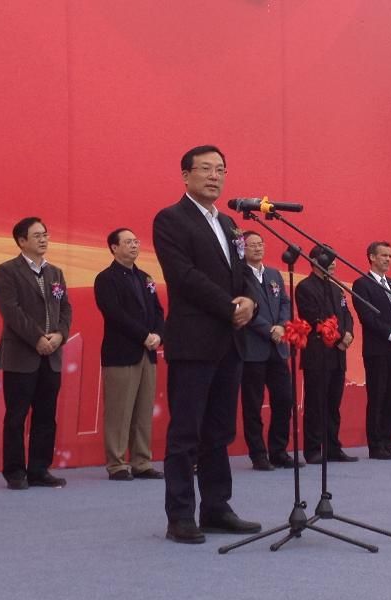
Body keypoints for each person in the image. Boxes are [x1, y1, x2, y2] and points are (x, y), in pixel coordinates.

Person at [153, 145, 261, 544]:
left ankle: (216, 508)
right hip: (194, 341)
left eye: (221, 169)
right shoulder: (170, 219)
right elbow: (183, 276)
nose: (215, 176)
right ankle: (180, 515)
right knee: (186, 432)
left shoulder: (229, 223)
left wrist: (249, 299)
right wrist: (230, 306)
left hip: (229, 342)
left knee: (219, 431)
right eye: (206, 169)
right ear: (186, 175)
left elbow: (243, 271)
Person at [0, 217, 72, 490]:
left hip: (52, 355)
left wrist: (60, 335)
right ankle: (15, 472)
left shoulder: (55, 273)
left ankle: (39, 470)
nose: (43, 239)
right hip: (21, 355)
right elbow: (11, 311)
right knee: (16, 416)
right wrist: (37, 338)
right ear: (22, 241)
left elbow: (66, 309)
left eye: (45, 234)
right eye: (37, 235)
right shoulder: (7, 271)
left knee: (46, 415)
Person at [94, 228, 165, 481]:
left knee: (143, 410)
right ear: (114, 248)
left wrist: (158, 334)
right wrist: (143, 335)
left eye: (136, 241)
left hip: (148, 353)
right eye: (128, 242)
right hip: (121, 353)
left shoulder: (145, 277)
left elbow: (158, 311)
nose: (134, 245)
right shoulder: (106, 278)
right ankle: (116, 463)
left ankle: (141, 461)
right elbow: (114, 313)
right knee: (119, 411)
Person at [239, 231, 301, 470]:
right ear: (243, 248)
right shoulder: (239, 275)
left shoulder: (274, 274)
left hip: (278, 348)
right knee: (253, 405)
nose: (257, 248)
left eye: (260, 244)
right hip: (253, 348)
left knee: (284, 400)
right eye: (252, 245)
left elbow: (284, 301)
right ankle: (258, 454)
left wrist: (283, 325)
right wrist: (268, 329)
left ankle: (279, 451)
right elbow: (242, 309)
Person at [295, 245, 357, 464]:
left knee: (333, 404)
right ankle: (313, 449)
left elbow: (347, 315)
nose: (333, 263)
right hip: (318, 353)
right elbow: (314, 317)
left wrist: (348, 333)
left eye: (334, 259)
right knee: (315, 404)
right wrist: (338, 339)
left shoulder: (337, 288)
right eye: (328, 259)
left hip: (338, 356)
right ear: (314, 261)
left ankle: (333, 447)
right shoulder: (305, 287)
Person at [352, 241, 391, 460]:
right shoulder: (362, 284)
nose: (388, 259)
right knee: (377, 396)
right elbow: (367, 317)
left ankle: (387, 442)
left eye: (390, 256)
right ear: (372, 257)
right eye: (384, 255)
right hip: (377, 350)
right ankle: (376, 446)